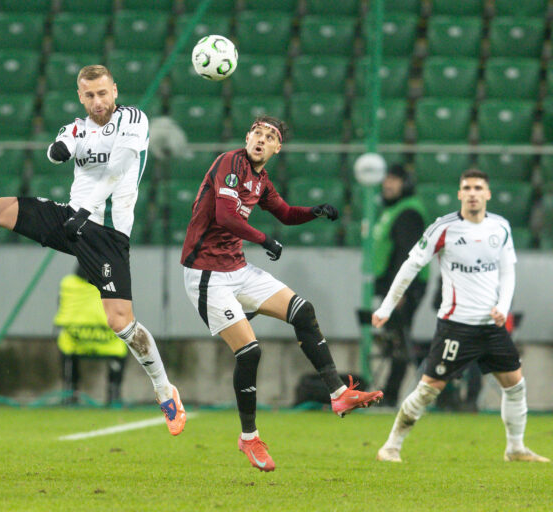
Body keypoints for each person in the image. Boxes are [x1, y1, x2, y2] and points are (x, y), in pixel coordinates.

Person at [0, 65, 186, 435]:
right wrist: (58, 150)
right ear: (80, 96)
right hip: (71, 221)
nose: (97, 102)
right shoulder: (76, 127)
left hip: (106, 234)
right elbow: (59, 146)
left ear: (115, 91)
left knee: (120, 322)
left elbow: (117, 169)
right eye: (89, 95)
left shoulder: (133, 120)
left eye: (103, 93)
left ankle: (163, 389)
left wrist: (84, 212)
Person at [181, 116, 383, 472]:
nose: (261, 138)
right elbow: (226, 216)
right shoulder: (230, 163)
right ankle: (249, 438)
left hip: (237, 270)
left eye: (270, 136)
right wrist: (264, 239)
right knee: (250, 353)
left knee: (303, 312)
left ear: (277, 148)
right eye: (257, 132)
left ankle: (338, 394)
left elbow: (286, 213)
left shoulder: (261, 179)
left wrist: (314, 212)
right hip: (206, 274)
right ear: (247, 137)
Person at [374, 169, 548, 463]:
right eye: (466, 187)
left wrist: (503, 307)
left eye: (478, 187)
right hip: (456, 327)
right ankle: (391, 446)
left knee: (515, 385)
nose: (472, 193)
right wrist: (386, 307)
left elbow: (507, 272)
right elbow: (410, 266)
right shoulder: (443, 229)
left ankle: (515, 448)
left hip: (491, 326)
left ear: (487, 193)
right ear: (459, 194)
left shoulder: (500, 227)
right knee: (429, 390)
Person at [371, 164, 428, 406]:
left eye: (394, 179)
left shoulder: (409, 213)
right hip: (393, 287)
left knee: (400, 340)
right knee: (396, 338)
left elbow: (407, 254)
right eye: (386, 179)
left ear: (406, 183)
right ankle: (391, 392)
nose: (387, 184)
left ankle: (393, 394)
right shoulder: (393, 210)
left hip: (404, 288)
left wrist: (400, 290)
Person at [55, 265, 128, 405]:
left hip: (76, 340)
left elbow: (61, 308)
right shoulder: (114, 283)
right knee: (122, 345)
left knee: (65, 343)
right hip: (108, 342)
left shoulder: (68, 284)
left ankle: (70, 392)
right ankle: (114, 394)